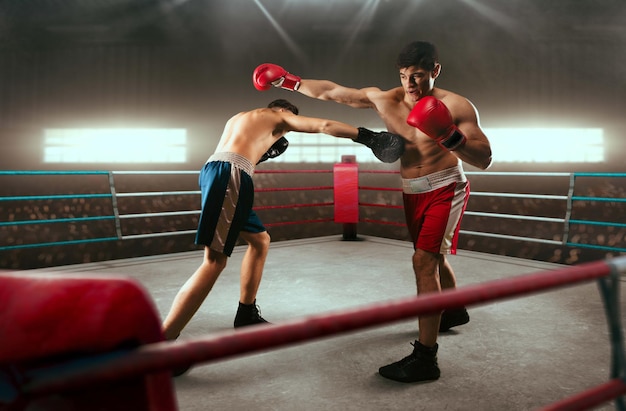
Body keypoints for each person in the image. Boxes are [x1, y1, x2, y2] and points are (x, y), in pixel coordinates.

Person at [253, 41, 492, 383]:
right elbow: (335, 93)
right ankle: (451, 310)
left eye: (419, 76)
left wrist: (448, 135)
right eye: (405, 76)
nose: (410, 84)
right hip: (412, 189)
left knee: (423, 261)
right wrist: (288, 81)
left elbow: (484, 157)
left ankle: (426, 359)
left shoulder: (456, 105)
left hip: (445, 186)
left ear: (435, 71)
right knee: (432, 257)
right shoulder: (386, 99)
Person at [162, 99, 404, 373]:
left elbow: (240, 150)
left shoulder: (239, 116)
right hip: (232, 176)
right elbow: (323, 125)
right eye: (286, 127)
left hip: (217, 172)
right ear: (283, 112)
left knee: (260, 240)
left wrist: (260, 153)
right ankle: (163, 343)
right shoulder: (278, 117)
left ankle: (246, 313)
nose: (283, 133)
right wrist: (367, 137)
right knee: (214, 260)